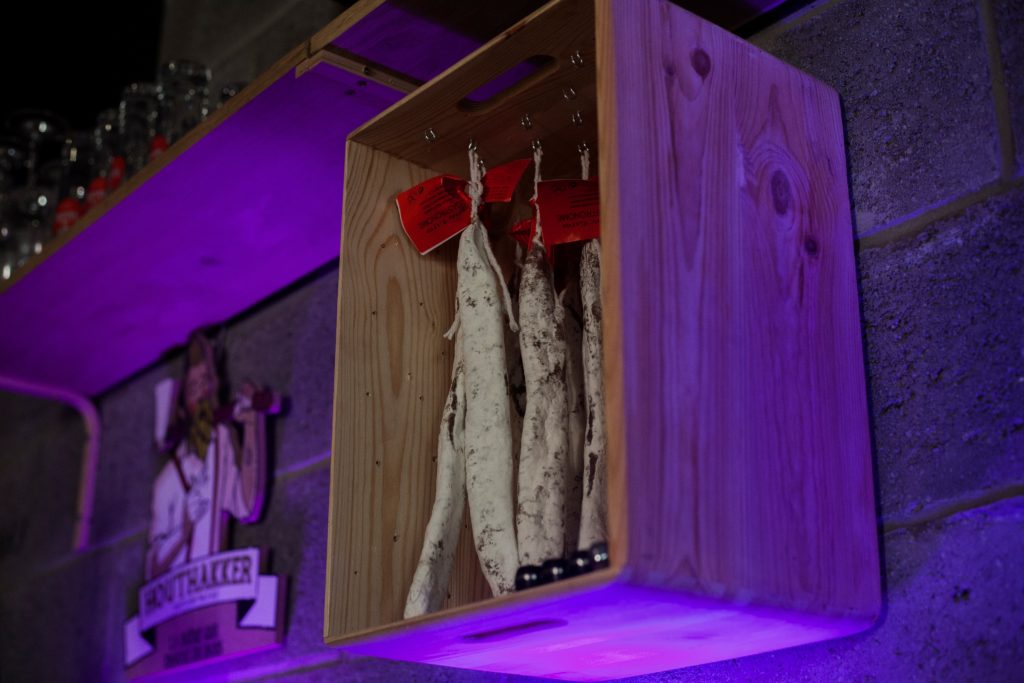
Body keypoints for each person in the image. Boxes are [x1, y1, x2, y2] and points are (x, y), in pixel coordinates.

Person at [145, 333, 267, 580]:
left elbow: (245, 505)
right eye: (193, 387)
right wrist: (183, 531)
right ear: (183, 405)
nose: (202, 393)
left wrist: (252, 426)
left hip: (215, 585)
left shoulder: (221, 440)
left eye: (206, 381)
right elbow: (153, 566)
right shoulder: (166, 481)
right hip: (176, 594)